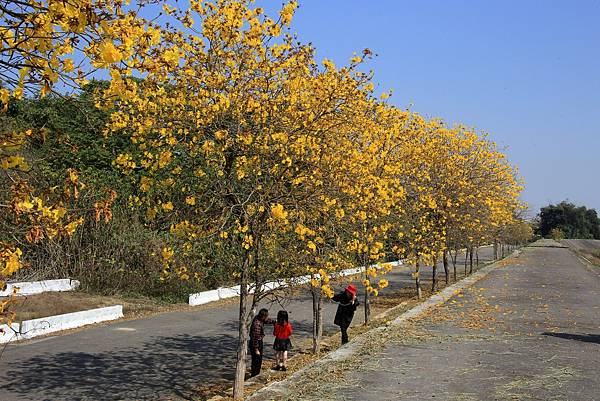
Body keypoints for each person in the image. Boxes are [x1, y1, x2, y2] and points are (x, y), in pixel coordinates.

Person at [249, 308, 275, 377]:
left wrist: (274, 322)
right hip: (256, 343)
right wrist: (256, 349)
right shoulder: (257, 325)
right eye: (266, 316)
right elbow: (255, 338)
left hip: (258, 341)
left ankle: (256, 373)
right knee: (256, 361)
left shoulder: (260, 319)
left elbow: (267, 321)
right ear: (263, 316)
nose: (267, 318)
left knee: (259, 360)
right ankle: (254, 375)